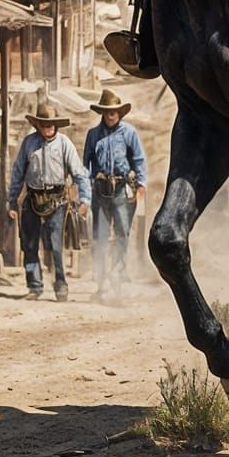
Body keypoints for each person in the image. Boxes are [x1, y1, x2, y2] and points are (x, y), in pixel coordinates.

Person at [6, 92, 89, 302]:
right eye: (43, 124)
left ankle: (60, 284)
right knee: (30, 243)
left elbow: (78, 173)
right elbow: (18, 172)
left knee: (55, 244)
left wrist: (85, 199)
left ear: (56, 125)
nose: (47, 128)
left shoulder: (64, 144)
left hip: (57, 199)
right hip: (33, 198)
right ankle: (34, 286)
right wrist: (12, 200)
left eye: (50, 124)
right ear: (38, 126)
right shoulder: (28, 143)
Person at [83, 87, 147, 301]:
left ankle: (118, 280)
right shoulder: (93, 135)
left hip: (122, 189)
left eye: (114, 111)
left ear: (119, 113)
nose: (111, 115)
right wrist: (85, 187)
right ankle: (101, 283)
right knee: (100, 237)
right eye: (107, 111)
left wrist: (140, 186)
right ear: (102, 113)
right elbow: (86, 164)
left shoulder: (129, 133)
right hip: (100, 190)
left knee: (122, 235)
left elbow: (138, 160)